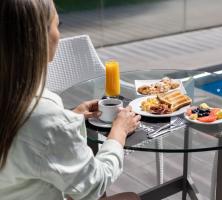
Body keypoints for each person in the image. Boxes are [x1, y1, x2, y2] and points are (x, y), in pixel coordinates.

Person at [0, 0, 141, 199]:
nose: (59, 34)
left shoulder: (20, 105)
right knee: (131, 198)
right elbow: (95, 183)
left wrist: (70, 116)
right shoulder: (44, 118)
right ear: (39, 38)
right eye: (58, 25)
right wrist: (119, 131)